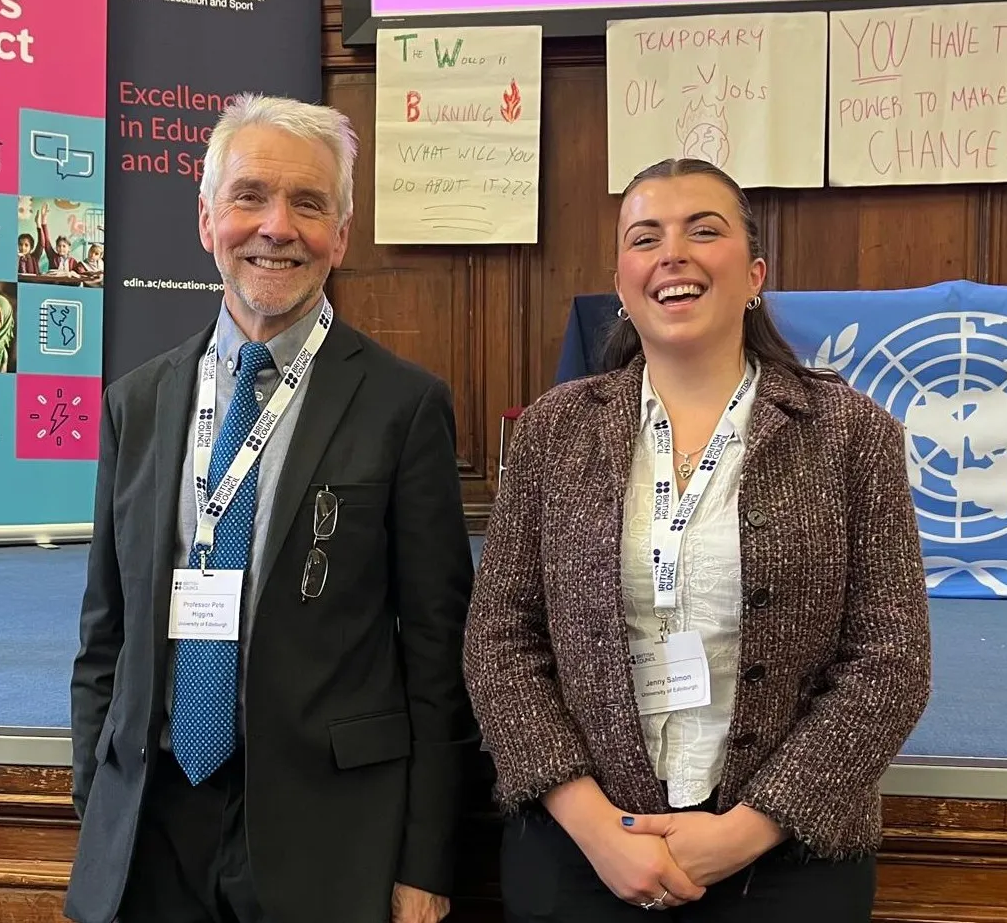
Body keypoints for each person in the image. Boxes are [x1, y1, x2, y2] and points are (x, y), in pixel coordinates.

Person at [463, 158, 931, 921]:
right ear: (622, 283)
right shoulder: (554, 430)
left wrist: (747, 830)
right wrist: (598, 827)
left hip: (786, 862)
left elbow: (891, 661)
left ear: (754, 274)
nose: (672, 254)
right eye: (645, 238)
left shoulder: (850, 434)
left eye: (701, 231)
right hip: (580, 855)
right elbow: (500, 639)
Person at [66, 94, 476, 923]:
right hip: (150, 830)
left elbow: (439, 657)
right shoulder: (135, 403)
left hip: (329, 836)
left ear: (343, 234)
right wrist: (98, 798)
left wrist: (427, 860)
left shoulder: (403, 406)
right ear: (207, 218)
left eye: (310, 203)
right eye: (250, 195)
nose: (277, 226)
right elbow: (104, 630)